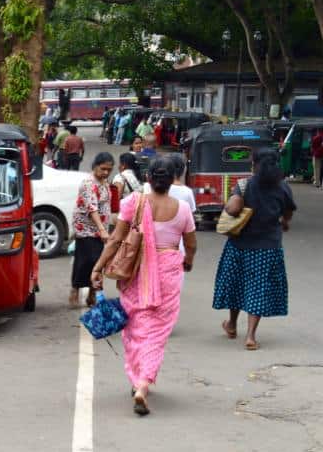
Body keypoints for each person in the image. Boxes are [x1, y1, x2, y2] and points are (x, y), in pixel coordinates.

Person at [90, 155, 198, 416]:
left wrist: (98, 267)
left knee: (136, 327)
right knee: (157, 334)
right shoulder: (182, 209)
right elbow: (191, 244)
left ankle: (138, 380)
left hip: (136, 271)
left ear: (148, 179)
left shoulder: (133, 203)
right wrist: (189, 261)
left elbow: (116, 239)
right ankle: (143, 383)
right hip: (169, 272)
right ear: (173, 180)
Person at [212, 147, 295, 351]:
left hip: (240, 243)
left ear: (254, 164)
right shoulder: (283, 187)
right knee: (257, 288)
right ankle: (250, 336)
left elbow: (232, 209)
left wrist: (230, 203)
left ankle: (231, 325)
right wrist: (284, 223)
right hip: (268, 246)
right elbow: (288, 212)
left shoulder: (244, 184)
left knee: (236, 284)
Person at [70, 152, 115, 308]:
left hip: (101, 227)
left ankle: (92, 292)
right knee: (86, 260)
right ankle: (76, 288)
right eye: (103, 169)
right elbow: (92, 208)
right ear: (95, 166)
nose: (106, 172)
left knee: (98, 260)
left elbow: (106, 205)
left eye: (109, 169)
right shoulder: (88, 183)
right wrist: (102, 229)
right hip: (86, 227)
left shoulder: (105, 182)